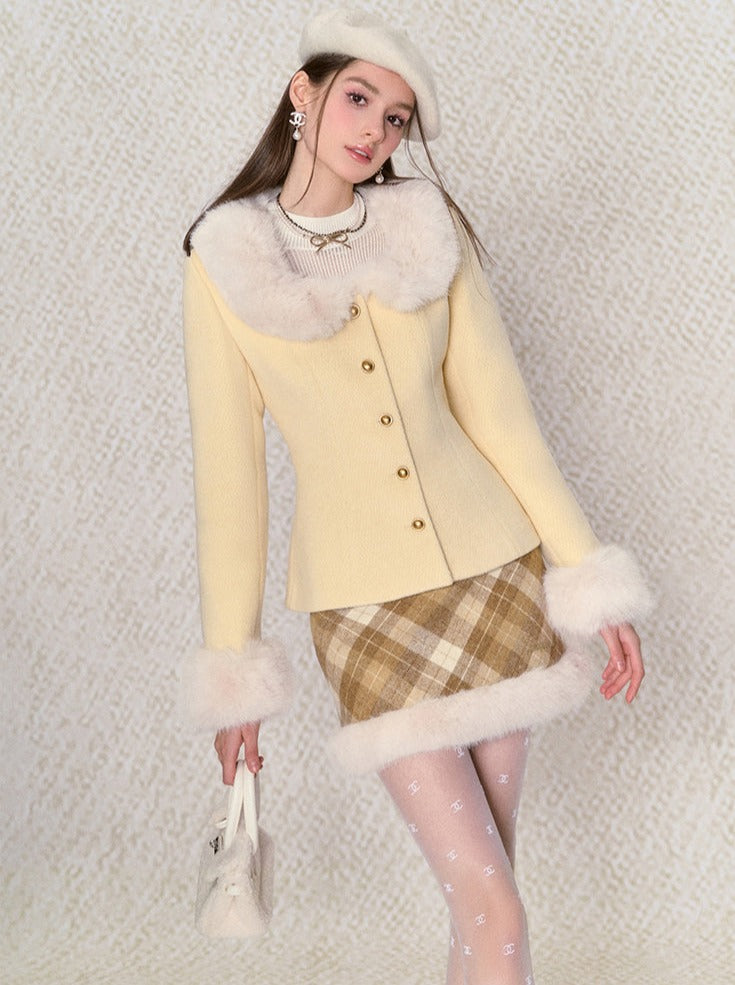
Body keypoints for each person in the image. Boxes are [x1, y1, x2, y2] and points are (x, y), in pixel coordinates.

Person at [180, 9, 650, 984]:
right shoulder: (223, 261)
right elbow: (230, 484)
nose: (375, 130)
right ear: (304, 92)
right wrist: (235, 676)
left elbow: (504, 422)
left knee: (488, 890)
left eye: (395, 118)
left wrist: (588, 579)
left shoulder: (427, 232)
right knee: (489, 896)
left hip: (497, 578)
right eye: (359, 98)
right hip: (364, 611)